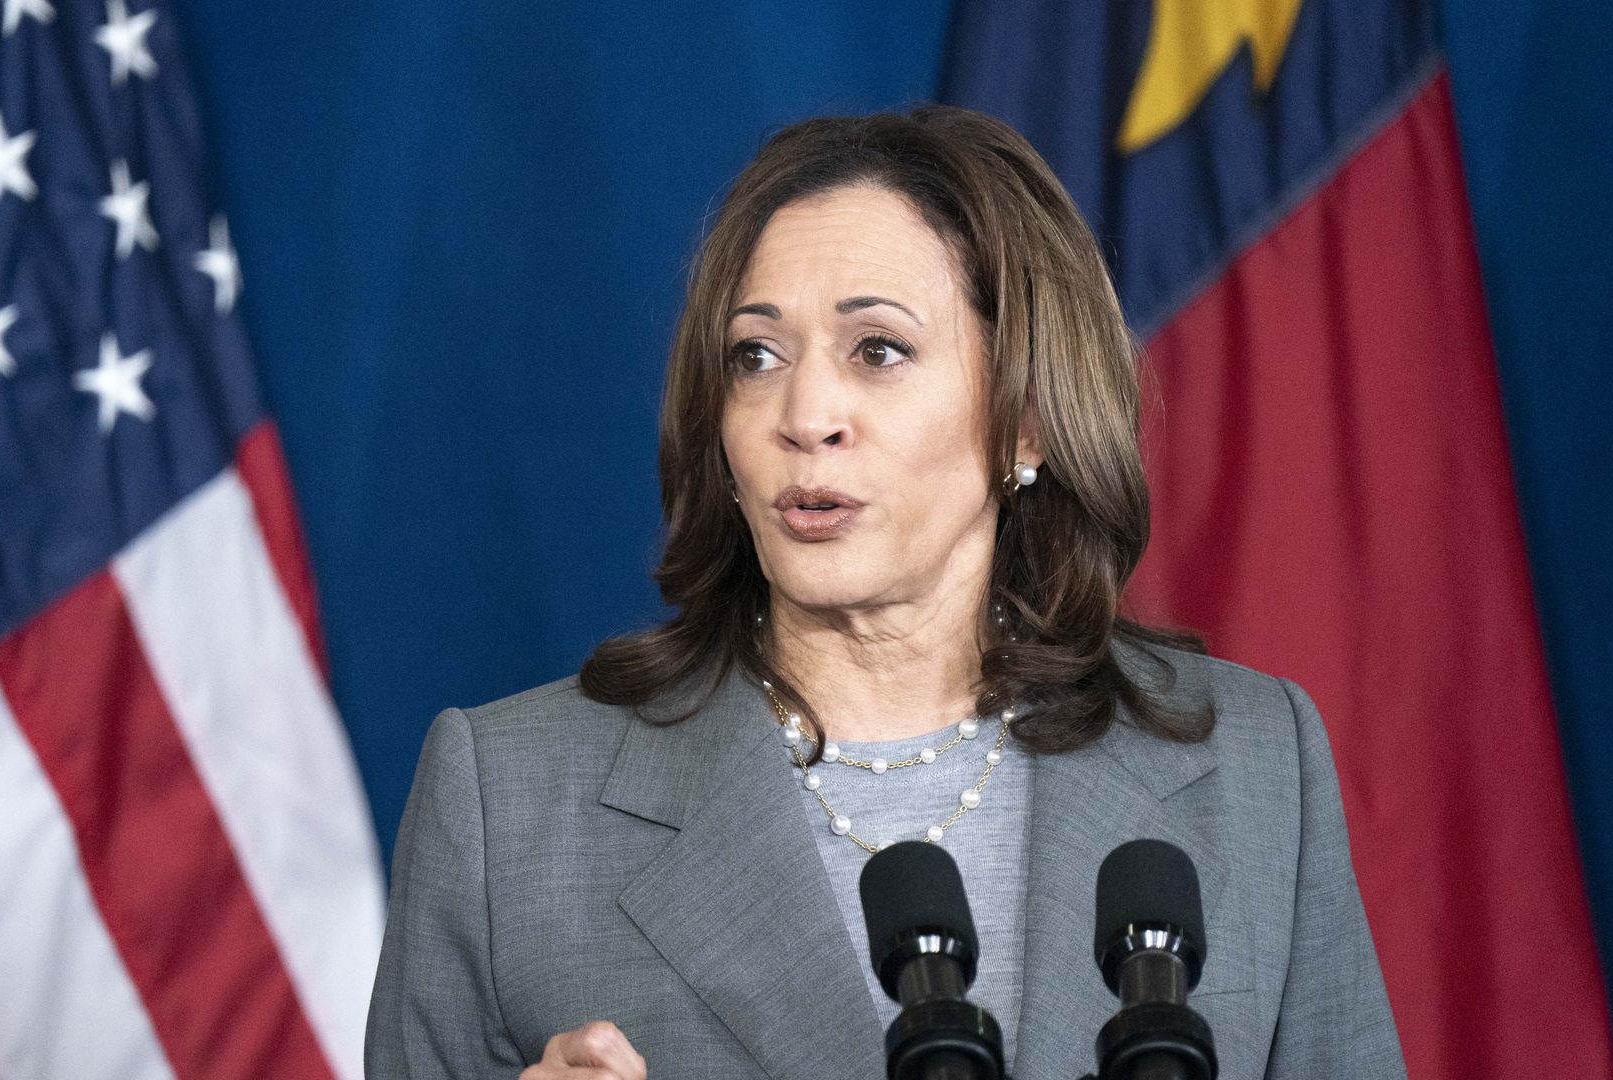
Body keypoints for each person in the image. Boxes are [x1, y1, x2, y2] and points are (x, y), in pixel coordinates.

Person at [364, 107, 1405, 1080]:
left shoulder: (1251, 769)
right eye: (756, 355)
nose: (806, 412)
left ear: (1028, 419)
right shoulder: (509, 805)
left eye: (879, 350)